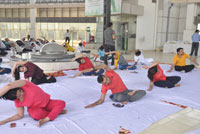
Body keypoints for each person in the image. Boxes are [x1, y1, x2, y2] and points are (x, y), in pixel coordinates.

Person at [0, 80, 66, 127]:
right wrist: (4, 121)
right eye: (19, 95)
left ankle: (49, 116)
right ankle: (53, 114)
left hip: (47, 102)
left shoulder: (25, 84)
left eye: (20, 91)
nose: (22, 93)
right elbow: (19, 115)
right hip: (35, 108)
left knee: (61, 103)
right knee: (36, 115)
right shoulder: (17, 101)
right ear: (16, 98)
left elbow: (9, 86)